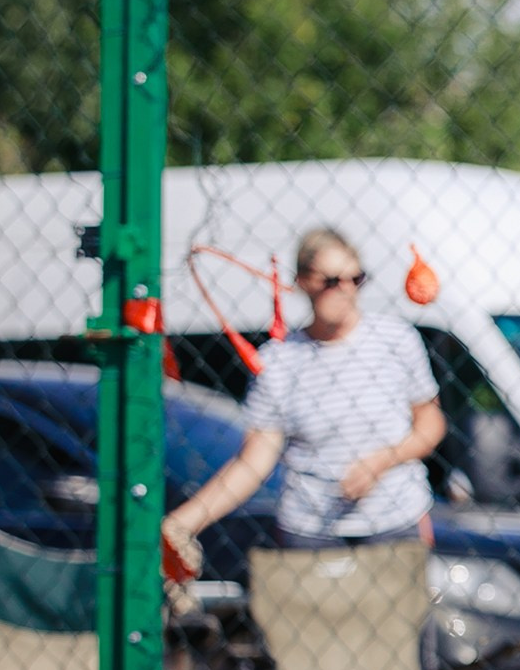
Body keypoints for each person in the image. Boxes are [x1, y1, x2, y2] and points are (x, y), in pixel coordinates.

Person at [163, 228, 444, 555]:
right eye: (330, 281)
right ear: (302, 282)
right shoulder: (279, 360)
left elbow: (430, 423)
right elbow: (254, 460)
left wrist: (382, 461)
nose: (344, 290)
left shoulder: (396, 339)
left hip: (395, 520)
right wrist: (184, 522)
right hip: (310, 530)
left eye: (355, 279)